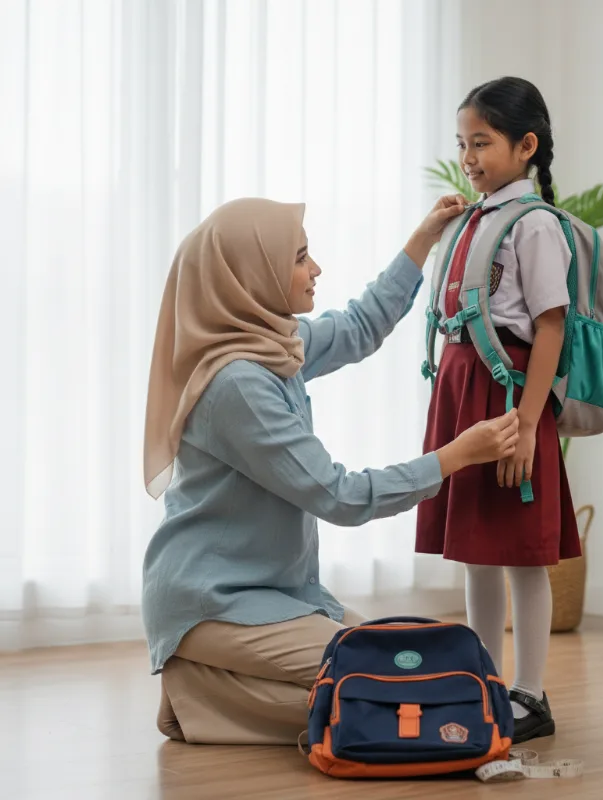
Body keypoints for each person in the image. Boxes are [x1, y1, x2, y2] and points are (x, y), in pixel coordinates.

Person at [141, 195, 521, 745]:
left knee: (398, 664)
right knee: (384, 682)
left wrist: (424, 238)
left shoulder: (274, 347)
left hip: (276, 594)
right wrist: (455, 456)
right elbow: (339, 495)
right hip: (213, 601)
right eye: (299, 257)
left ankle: (202, 684)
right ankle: (196, 689)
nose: (314, 269)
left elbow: (358, 327)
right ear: (254, 274)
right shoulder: (238, 386)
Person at [415, 76, 582, 744]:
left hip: (509, 400)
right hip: (465, 399)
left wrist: (525, 432)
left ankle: (531, 695)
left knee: (521, 554)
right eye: (462, 143)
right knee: (478, 550)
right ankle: (482, 682)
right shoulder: (473, 217)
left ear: (526, 146)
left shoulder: (535, 224)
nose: (469, 155)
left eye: (481, 141)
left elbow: (550, 326)